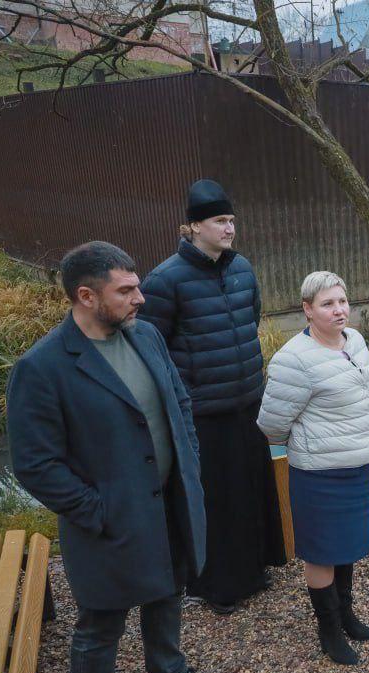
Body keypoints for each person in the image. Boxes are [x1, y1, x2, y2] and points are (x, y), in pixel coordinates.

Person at [7, 242, 228, 673]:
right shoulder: (42, 368)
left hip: (166, 503)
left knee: (168, 588)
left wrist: (188, 468)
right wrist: (97, 510)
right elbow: (35, 464)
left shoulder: (146, 336)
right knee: (100, 627)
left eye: (137, 286)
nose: (140, 298)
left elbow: (178, 404)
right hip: (106, 522)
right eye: (125, 290)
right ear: (86, 296)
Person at [138, 178, 284, 614]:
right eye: (221, 221)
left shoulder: (242, 269)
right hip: (203, 413)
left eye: (232, 221)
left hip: (247, 401)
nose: (230, 229)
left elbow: (250, 320)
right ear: (194, 226)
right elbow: (152, 347)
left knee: (251, 490)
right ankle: (217, 584)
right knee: (215, 501)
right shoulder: (165, 280)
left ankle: (256, 568)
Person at [258, 272, 369, 665]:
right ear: (307, 310)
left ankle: (347, 616)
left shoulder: (356, 341)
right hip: (320, 475)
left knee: (346, 547)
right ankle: (328, 629)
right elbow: (272, 424)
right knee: (321, 553)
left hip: (358, 466)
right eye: (328, 304)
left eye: (342, 301)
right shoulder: (293, 360)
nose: (339, 309)